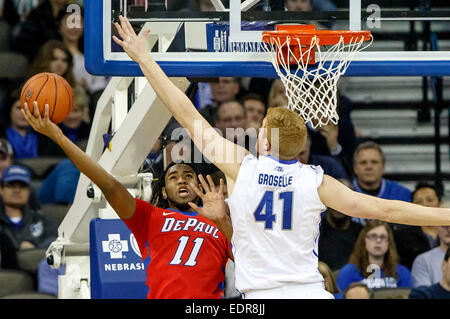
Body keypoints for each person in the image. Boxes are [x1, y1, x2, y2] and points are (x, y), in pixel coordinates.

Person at [111, 15, 450, 299]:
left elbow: (185, 112)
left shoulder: (241, 167)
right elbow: (386, 209)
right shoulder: (318, 181)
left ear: (265, 141)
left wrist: (144, 58)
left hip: (261, 296)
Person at [21, 97, 233, 298]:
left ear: (199, 186)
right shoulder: (150, 217)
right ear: (164, 191)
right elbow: (108, 184)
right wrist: (59, 136)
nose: (181, 180)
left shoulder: (220, 219)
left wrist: (222, 220)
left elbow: (249, 261)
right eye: (173, 177)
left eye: (188, 176)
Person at [337, 220, 411, 292]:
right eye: (373, 236)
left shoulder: (402, 272)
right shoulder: (349, 272)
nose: (378, 240)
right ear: (364, 240)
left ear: (389, 242)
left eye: (383, 237)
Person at [0, 164, 58, 253]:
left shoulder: (44, 220)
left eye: (23, 186)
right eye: (11, 185)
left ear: (29, 190)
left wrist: (34, 246)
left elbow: (56, 243)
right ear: (1, 189)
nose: (17, 190)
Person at [352, 141, 412, 224]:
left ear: (383, 167)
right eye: (363, 162)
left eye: (374, 162)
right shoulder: (343, 193)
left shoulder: (402, 195)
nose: (368, 167)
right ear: (355, 168)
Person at [394, 182, 441, 270]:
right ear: (412, 206)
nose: (425, 204)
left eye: (430, 200)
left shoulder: (447, 232)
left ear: (439, 202)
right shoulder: (402, 235)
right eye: (419, 201)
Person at [318, 181, 363, 271]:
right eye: (334, 198)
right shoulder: (315, 230)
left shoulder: (361, 232)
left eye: (344, 199)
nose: (338, 205)